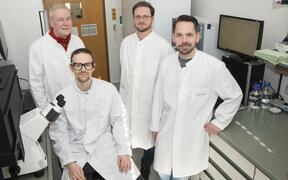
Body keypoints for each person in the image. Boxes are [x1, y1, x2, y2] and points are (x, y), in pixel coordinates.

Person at [150, 15, 243, 180]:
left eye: (189, 35)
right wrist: (155, 126)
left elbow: (234, 95)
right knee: (164, 175)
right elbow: (157, 98)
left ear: (197, 37)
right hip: (166, 138)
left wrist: (219, 121)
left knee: (181, 176)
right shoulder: (167, 63)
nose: (184, 40)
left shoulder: (214, 67)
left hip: (190, 143)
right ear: (173, 37)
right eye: (179, 35)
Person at [49, 48, 141, 180]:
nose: (83, 69)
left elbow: (120, 120)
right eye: (78, 65)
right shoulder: (61, 97)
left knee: (130, 175)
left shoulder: (108, 89)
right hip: (77, 153)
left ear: (93, 67)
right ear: (71, 67)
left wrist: (124, 151)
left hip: (105, 147)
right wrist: (69, 163)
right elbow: (58, 134)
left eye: (87, 65)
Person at [119, 2, 174, 179]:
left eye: (145, 16)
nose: (141, 20)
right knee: (129, 139)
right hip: (128, 103)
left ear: (152, 18)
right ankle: (133, 170)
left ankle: (145, 166)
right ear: (133, 18)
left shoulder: (164, 47)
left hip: (151, 107)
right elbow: (124, 78)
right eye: (138, 16)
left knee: (151, 140)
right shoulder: (126, 43)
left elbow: (167, 84)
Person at [29, 4, 84, 110]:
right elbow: (36, 84)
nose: (66, 23)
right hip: (56, 108)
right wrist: (46, 111)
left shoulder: (78, 42)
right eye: (60, 20)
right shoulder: (37, 48)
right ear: (51, 23)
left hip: (80, 101)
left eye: (68, 18)